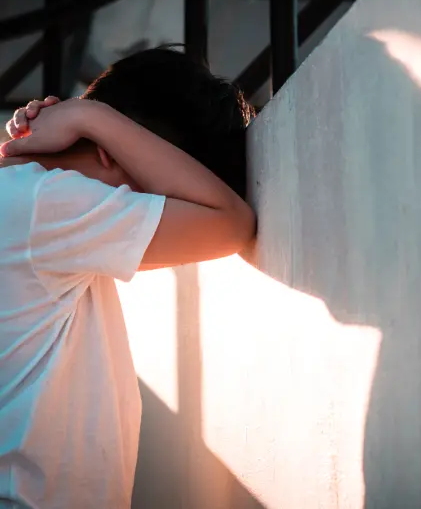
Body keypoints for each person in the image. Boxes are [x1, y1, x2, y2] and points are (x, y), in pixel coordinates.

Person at [0, 48, 256, 508]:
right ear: (112, 151)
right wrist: (94, 116)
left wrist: (89, 115)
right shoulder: (49, 204)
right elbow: (231, 223)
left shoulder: (28, 207)